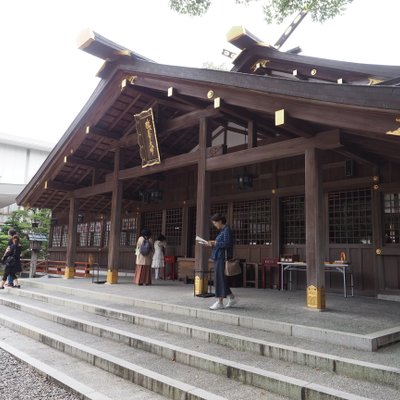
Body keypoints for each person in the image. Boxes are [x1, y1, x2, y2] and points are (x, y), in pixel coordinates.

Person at [207, 213, 237, 310]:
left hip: (222, 258)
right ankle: (232, 298)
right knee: (221, 279)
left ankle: (220, 302)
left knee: (219, 279)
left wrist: (215, 243)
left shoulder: (227, 230)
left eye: (215, 223)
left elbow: (227, 244)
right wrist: (212, 243)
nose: (215, 225)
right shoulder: (223, 231)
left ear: (220, 221)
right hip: (219, 257)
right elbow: (222, 243)